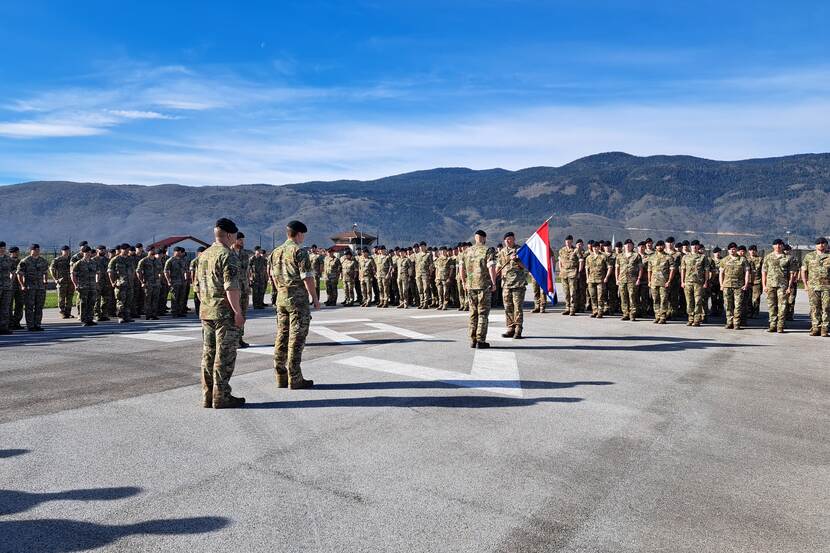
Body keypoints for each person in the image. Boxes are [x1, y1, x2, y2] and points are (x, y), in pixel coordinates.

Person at [198, 218, 247, 408]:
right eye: (235, 235)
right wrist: (238, 312)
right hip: (224, 312)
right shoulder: (227, 255)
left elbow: (198, 285)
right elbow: (231, 287)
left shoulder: (204, 255)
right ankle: (222, 396)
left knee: (208, 354)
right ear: (228, 234)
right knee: (224, 355)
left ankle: (208, 394)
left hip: (206, 310)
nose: (236, 238)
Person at [270, 220, 319, 389]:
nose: (303, 237)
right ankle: (295, 377)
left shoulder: (275, 252)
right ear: (299, 234)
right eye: (303, 234)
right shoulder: (299, 252)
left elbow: (274, 277)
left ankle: (280, 375)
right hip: (297, 300)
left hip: (281, 298)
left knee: (281, 336)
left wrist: (281, 292)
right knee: (296, 338)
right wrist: (315, 298)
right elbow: (307, 277)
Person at [460, 230, 497, 349]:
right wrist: (494, 282)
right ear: (484, 238)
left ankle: (472, 339)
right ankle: (481, 340)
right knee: (483, 313)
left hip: (470, 286)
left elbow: (461, 268)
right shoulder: (488, 250)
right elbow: (491, 267)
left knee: (473, 313)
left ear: (475, 238)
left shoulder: (466, 251)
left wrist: (464, 282)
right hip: (483, 286)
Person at [761, 239, 795, 333]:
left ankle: (780, 326)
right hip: (770, 285)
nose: (778, 246)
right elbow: (764, 272)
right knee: (771, 305)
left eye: (780, 244)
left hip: (783, 285)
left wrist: (789, 286)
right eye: (776, 244)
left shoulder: (788, 257)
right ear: (773, 246)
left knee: (782, 306)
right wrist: (764, 285)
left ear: (783, 246)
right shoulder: (768, 257)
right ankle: (772, 325)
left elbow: (792, 273)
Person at [499, 232, 528, 339]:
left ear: (514, 239)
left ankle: (518, 329)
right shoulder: (502, 252)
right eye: (506, 239)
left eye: (510, 239)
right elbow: (499, 266)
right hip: (506, 284)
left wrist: (516, 259)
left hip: (517, 284)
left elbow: (526, 266)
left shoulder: (520, 251)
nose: (508, 241)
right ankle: (510, 328)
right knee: (507, 307)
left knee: (517, 308)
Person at [801, 236, 830, 337]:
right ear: (816, 245)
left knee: (826, 307)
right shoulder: (809, 256)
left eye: (823, 243)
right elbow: (804, 271)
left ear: (826, 245)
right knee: (814, 307)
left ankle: (824, 329)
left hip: (827, 287)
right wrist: (805, 284)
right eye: (819, 243)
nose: (821, 245)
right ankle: (815, 328)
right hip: (813, 287)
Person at [16, 244, 48, 331]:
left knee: (39, 306)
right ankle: (30, 325)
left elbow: (45, 272)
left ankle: (37, 324)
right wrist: (22, 285)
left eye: (38, 250)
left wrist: (45, 281)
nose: (37, 251)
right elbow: (19, 274)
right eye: (35, 250)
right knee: (29, 306)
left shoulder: (43, 261)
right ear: (31, 250)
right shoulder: (25, 261)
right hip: (30, 287)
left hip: (40, 287)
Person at [719, 242, 750, 330]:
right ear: (728, 250)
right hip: (727, 285)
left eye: (734, 249)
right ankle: (729, 322)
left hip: (739, 286)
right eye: (730, 249)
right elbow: (721, 273)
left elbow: (747, 272)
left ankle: (736, 323)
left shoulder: (742, 260)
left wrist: (746, 283)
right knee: (728, 305)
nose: (732, 250)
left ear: (736, 249)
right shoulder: (724, 260)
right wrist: (721, 284)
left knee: (738, 305)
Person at [680, 240, 710, 327]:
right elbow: (683, 270)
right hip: (688, 282)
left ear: (698, 247)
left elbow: (706, 270)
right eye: (693, 245)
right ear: (690, 246)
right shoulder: (685, 257)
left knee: (698, 301)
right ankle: (690, 318)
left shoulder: (703, 257)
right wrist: (682, 281)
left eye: (696, 245)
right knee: (689, 301)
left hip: (699, 283)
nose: (694, 247)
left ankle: (697, 319)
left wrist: (706, 281)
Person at [231, 234, 252, 348]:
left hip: (243, 287)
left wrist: (248, 285)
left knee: (243, 313)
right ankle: (232, 339)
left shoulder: (245, 254)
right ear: (234, 240)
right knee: (233, 313)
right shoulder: (228, 253)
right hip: (233, 288)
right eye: (240, 240)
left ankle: (239, 338)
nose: (242, 242)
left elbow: (247, 271)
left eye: (243, 240)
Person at [71, 245, 99, 326]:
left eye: (89, 252)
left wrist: (97, 282)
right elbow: (73, 275)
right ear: (83, 253)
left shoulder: (93, 262)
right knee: (83, 303)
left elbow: (98, 273)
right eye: (86, 252)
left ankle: (90, 319)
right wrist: (76, 285)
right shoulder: (79, 263)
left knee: (92, 302)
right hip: (83, 286)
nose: (88, 254)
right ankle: (84, 319)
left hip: (92, 286)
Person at [616, 239, 643, 321]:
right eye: (626, 245)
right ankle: (625, 313)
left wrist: (639, 278)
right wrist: (617, 278)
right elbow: (617, 268)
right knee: (623, 297)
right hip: (622, 279)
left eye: (630, 245)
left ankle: (632, 314)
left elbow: (640, 268)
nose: (628, 246)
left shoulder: (636, 256)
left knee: (632, 296)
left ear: (632, 246)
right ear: (624, 246)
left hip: (632, 279)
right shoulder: (620, 256)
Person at [647, 240, 674, 324]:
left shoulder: (668, 257)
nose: (660, 247)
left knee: (664, 300)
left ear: (664, 247)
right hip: (654, 282)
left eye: (661, 245)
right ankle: (657, 316)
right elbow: (649, 270)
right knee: (655, 299)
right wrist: (649, 281)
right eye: (658, 246)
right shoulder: (652, 257)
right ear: (656, 247)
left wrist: (669, 281)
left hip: (664, 282)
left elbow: (672, 270)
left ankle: (663, 317)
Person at [108, 244, 134, 323]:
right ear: (121, 250)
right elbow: (110, 272)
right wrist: (113, 282)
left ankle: (127, 316)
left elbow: (133, 270)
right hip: (120, 284)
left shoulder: (130, 259)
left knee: (128, 301)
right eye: (125, 250)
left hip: (129, 284)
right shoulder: (115, 259)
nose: (127, 251)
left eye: (128, 250)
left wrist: (132, 279)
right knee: (120, 301)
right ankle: (120, 317)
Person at [585, 241, 611, 318]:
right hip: (591, 280)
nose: (595, 248)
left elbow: (609, 267)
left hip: (600, 280)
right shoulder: (589, 257)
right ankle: (595, 311)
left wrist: (606, 277)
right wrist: (587, 278)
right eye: (594, 247)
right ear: (592, 248)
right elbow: (587, 269)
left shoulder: (604, 256)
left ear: (599, 247)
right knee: (593, 296)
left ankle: (600, 311)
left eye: (596, 247)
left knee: (600, 296)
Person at [557, 235, 581, 316]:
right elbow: (559, 260)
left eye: (569, 241)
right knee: (566, 292)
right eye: (566, 241)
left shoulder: (576, 250)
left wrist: (579, 272)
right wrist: (560, 269)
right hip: (564, 273)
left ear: (572, 241)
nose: (567, 242)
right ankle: (567, 308)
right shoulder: (561, 250)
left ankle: (572, 309)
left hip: (572, 272)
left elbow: (581, 261)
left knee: (572, 292)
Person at [50, 246, 75, 319]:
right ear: (62, 251)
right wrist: (55, 279)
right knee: (61, 298)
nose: (67, 252)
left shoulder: (71, 260)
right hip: (62, 282)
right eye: (65, 250)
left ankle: (68, 312)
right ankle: (62, 312)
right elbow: (51, 269)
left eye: (68, 250)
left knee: (69, 298)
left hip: (70, 282)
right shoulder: (57, 260)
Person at [137, 249, 161, 320]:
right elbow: (138, 271)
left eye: (153, 250)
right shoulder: (143, 261)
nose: (152, 252)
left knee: (155, 299)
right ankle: (148, 314)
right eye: (151, 250)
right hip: (148, 283)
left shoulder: (157, 261)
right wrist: (142, 282)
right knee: (148, 299)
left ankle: (154, 314)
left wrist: (159, 278)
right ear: (148, 252)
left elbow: (161, 271)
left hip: (156, 283)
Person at [165, 247, 189, 318]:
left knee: (181, 297)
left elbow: (185, 270)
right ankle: (174, 312)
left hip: (182, 282)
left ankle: (180, 311)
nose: (180, 253)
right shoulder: (170, 260)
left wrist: (186, 279)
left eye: (180, 252)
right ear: (175, 252)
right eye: (178, 252)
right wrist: (168, 280)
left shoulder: (182, 260)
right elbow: (166, 271)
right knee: (174, 297)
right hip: (174, 282)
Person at [8, 246, 24, 330]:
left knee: (20, 304)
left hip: (19, 286)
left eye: (18, 251)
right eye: (16, 252)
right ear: (12, 252)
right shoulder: (7, 261)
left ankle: (16, 322)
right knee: (9, 305)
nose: (18, 253)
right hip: (9, 286)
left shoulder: (20, 261)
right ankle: (9, 323)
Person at [415, 241, 433, 309]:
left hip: (425, 274)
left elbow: (431, 265)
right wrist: (416, 274)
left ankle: (425, 303)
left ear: (425, 247)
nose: (421, 248)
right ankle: (421, 302)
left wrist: (430, 274)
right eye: (420, 247)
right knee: (420, 289)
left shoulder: (429, 254)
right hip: (418, 274)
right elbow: (416, 265)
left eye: (423, 246)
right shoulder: (417, 255)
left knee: (425, 289)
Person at [0, 242, 13, 334]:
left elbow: (13, 271)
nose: (2, 249)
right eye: (0, 248)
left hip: (6, 286)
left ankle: (4, 327)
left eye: (3, 248)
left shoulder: (8, 259)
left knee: (5, 307)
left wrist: (11, 282)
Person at [190, 246, 206, 314]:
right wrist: (193, 282)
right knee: (197, 296)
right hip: (197, 281)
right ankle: (197, 310)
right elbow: (192, 273)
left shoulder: (205, 260)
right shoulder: (194, 261)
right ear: (198, 253)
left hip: (204, 281)